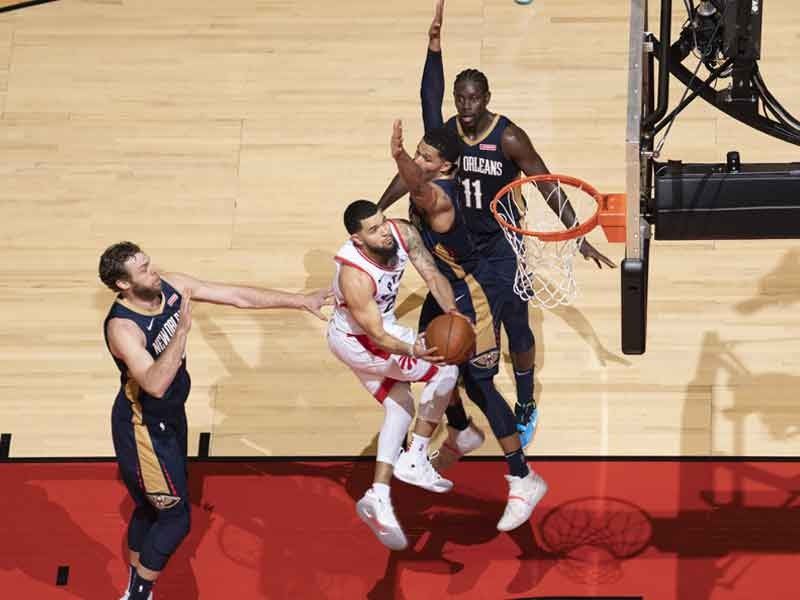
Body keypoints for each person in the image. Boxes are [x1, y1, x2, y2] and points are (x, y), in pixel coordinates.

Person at [378, 0, 616, 452]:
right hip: (456, 248)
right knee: (446, 324)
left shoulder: (507, 136)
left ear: (486, 99)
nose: (465, 106)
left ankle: (525, 402)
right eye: (460, 98)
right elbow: (417, 158)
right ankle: (454, 402)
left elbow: (545, 181)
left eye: (473, 98)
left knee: (517, 328)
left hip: (503, 247)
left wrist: (578, 237)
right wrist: (379, 203)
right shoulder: (446, 135)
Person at [99, 241, 331, 600]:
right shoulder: (123, 328)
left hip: (170, 418)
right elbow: (156, 384)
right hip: (144, 427)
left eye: (149, 263)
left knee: (152, 507)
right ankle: (140, 594)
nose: (154, 271)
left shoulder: (170, 286)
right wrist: (181, 332)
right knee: (176, 519)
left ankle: (134, 584)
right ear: (124, 285)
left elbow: (236, 295)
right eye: (143, 270)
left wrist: (300, 300)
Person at [391, 119, 547, 532]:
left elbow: (417, 188)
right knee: (430, 360)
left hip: (473, 291)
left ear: (444, 167)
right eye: (418, 153)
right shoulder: (430, 181)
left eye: (427, 157)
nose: (419, 161)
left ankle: (522, 478)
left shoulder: (439, 198)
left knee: (479, 384)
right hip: (444, 286)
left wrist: (399, 155)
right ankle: (460, 431)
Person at [327, 200, 463, 551]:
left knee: (400, 407)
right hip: (364, 342)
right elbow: (377, 335)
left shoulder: (402, 233)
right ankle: (415, 456)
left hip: (371, 335)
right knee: (446, 365)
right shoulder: (354, 273)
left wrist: (453, 313)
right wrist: (413, 350)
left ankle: (379, 496)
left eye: (382, 221)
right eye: (373, 229)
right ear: (357, 240)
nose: (384, 230)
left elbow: (432, 275)